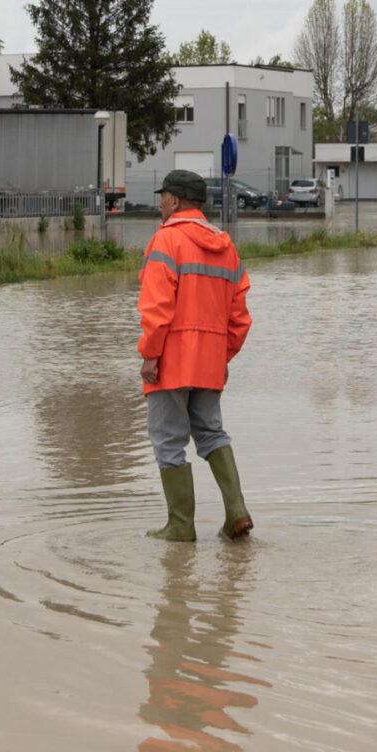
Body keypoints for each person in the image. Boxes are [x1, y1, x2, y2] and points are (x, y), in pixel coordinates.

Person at [139, 169, 253, 542]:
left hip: (171, 359)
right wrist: (221, 356)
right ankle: (236, 512)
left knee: (168, 440)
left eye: (162, 198)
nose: (159, 204)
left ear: (174, 200)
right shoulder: (226, 245)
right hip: (209, 361)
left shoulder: (165, 241)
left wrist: (150, 355)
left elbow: (157, 308)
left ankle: (180, 526)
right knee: (211, 432)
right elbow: (239, 316)